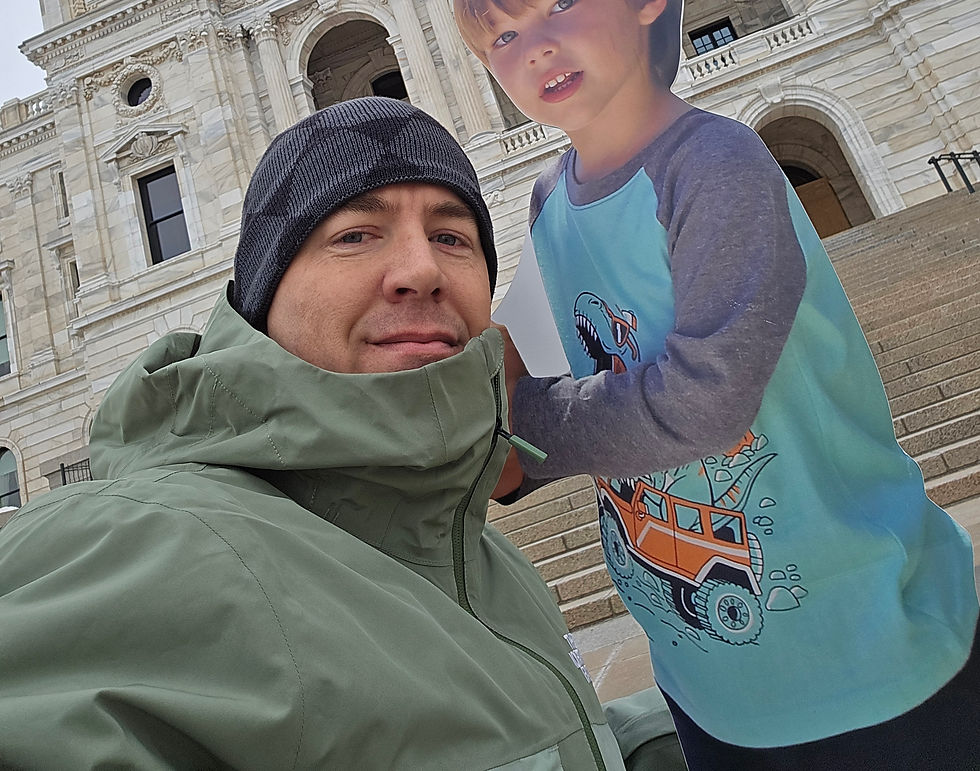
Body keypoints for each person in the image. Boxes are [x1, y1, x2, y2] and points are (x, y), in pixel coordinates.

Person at [453, 0, 980, 769]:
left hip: (867, 645)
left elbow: (706, 401)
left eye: (562, 4)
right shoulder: (549, 203)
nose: (536, 45)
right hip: (709, 670)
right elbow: (599, 384)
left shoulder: (714, 163)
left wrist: (529, 423)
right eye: (503, 36)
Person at [0, 96, 679, 770]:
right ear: (265, 292)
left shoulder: (486, 563)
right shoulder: (130, 542)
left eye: (452, 237)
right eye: (354, 233)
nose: (422, 270)